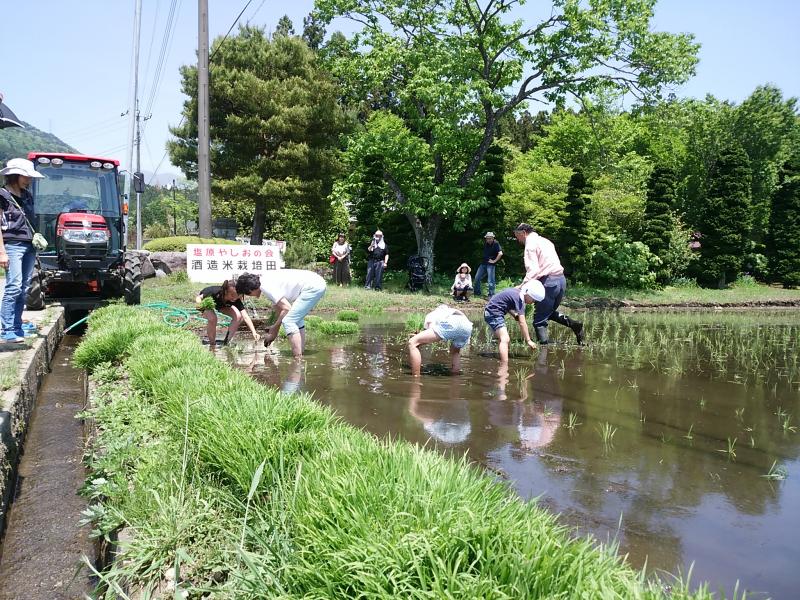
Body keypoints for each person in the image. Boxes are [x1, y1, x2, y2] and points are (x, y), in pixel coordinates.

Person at [513, 223, 584, 345]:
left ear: (523, 233)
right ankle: (574, 324)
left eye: (517, 236)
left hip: (548, 282)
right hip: (561, 280)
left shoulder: (530, 245)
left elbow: (534, 270)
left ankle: (543, 350)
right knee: (548, 312)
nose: (517, 240)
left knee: (539, 321)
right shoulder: (546, 241)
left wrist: (522, 286)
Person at [0, 158, 44, 343]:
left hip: (29, 245)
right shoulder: (2, 196)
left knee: (24, 287)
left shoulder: (27, 196)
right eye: (26, 176)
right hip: (12, 245)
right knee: (14, 285)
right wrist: (1, 252)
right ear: (15, 175)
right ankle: (6, 329)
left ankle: (17, 327)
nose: (29, 180)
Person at [236, 270, 326, 358]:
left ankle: (298, 359)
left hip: (313, 286)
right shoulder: (264, 280)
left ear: (250, 290)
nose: (253, 296)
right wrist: (274, 332)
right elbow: (280, 309)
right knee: (295, 319)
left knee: (289, 321)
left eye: (248, 294)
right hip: (316, 282)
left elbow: (287, 308)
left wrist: (274, 328)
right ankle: (300, 353)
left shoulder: (265, 286)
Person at [483, 280, 544, 363]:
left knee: (503, 339)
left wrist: (514, 315)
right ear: (528, 294)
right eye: (533, 300)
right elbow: (522, 323)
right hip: (493, 313)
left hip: (493, 311)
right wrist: (528, 340)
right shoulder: (520, 300)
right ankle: (505, 364)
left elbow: (504, 304)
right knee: (505, 338)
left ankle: (502, 357)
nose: (532, 302)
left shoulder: (516, 292)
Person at [408, 303, 473, 376]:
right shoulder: (454, 310)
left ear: (437, 309)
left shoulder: (433, 314)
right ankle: (455, 375)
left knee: (413, 342)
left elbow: (431, 330)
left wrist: (418, 339)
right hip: (467, 326)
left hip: (452, 323)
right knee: (455, 352)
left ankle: (415, 377)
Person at [195, 278, 260, 349]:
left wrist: (254, 332)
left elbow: (245, 316)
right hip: (207, 303)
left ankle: (226, 342)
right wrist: (201, 307)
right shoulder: (214, 292)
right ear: (225, 291)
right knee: (213, 318)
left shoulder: (235, 299)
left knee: (238, 316)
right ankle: (212, 344)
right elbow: (198, 297)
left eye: (237, 296)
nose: (234, 298)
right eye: (232, 295)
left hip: (223, 306)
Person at [473, 231, 503, 298]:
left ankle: (491, 294)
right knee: (477, 278)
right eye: (487, 238)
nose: (488, 240)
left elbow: (500, 253)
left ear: (493, 238)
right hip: (483, 263)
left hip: (491, 265)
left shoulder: (496, 243)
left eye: (490, 238)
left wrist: (494, 261)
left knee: (490, 280)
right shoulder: (486, 243)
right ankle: (477, 293)